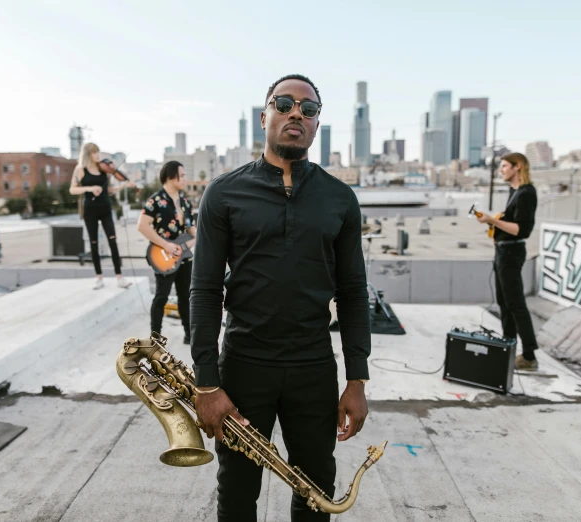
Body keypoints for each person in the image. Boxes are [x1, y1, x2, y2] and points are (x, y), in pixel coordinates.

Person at [190, 74, 371, 522]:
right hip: (243, 366)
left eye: (308, 109)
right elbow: (205, 291)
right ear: (265, 114)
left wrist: (357, 380)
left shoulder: (340, 198)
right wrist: (207, 383)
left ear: (316, 124)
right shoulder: (223, 192)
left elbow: (352, 293)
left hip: (313, 365)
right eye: (285, 103)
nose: (297, 113)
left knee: (314, 491)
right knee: (237, 490)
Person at [476, 152, 540, 370]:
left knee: (515, 304)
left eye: (504, 166)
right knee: (504, 302)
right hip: (503, 251)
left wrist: (492, 219)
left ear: (518, 166)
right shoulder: (515, 192)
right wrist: (493, 222)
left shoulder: (526, 193)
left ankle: (529, 356)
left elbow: (522, 230)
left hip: (512, 253)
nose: (501, 170)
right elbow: (509, 225)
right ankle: (508, 346)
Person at [137, 161, 195, 344]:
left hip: (184, 259)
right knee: (161, 297)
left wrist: (203, 235)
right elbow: (142, 226)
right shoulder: (155, 200)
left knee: (185, 296)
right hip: (163, 257)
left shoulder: (185, 202)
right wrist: (166, 245)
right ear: (170, 176)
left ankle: (189, 334)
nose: (185, 179)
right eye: (182, 175)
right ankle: (155, 339)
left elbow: (192, 230)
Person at [69, 142, 133, 290]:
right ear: (88, 154)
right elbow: (72, 189)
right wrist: (90, 188)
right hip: (90, 210)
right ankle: (99, 277)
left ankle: (119, 277)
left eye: (98, 152)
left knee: (113, 241)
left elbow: (109, 190)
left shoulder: (103, 169)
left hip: (105, 208)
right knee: (94, 243)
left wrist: (123, 186)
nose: (98, 155)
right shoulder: (80, 170)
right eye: (94, 153)